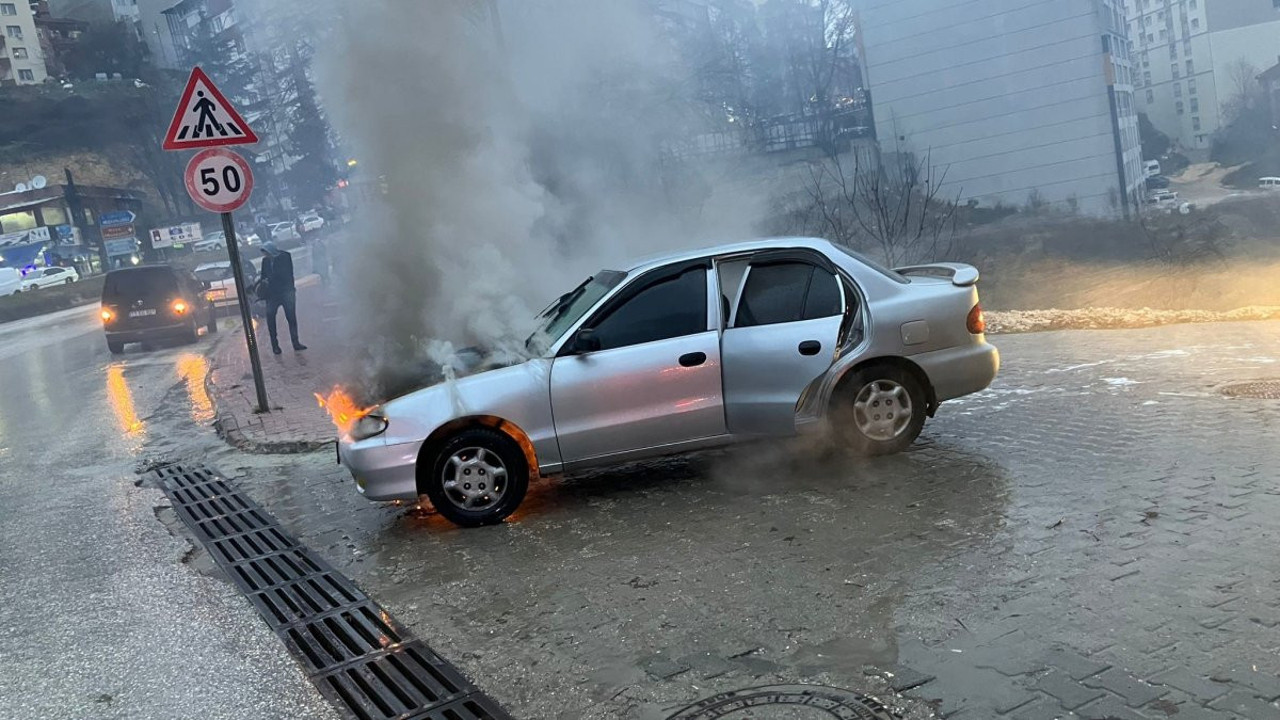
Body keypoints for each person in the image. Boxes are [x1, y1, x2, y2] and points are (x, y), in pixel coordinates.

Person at [258, 241, 306, 354]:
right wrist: (262, 285)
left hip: (286, 292)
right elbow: (263, 276)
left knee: (291, 318)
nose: (266, 256)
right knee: (270, 318)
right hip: (272, 295)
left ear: (271, 250)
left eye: (267, 253)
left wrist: (269, 279)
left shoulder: (285, 256)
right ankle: (275, 346)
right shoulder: (265, 261)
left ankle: (296, 343)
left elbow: (285, 273)